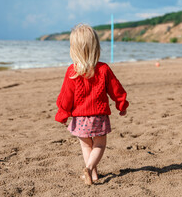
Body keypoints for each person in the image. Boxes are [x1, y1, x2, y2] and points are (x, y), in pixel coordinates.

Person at [55, 24, 129, 185]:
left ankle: (93, 175)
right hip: (99, 116)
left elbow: (66, 97)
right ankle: (90, 170)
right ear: (96, 46)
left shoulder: (72, 72)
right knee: (100, 145)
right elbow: (116, 90)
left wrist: (62, 114)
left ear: (73, 48)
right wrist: (121, 104)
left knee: (86, 146)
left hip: (79, 118)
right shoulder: (103, 69)